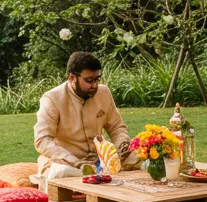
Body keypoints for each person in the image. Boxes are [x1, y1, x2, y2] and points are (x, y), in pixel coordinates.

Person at [34, 51, 137, 192]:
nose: (95, 85)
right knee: (61, 174)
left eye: (97, 79)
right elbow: (42, 140)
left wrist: (120, 149)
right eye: (89, 81)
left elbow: (117, 127)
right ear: (72, 78)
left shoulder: (103, 93)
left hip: (100, 161)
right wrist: (76, 163)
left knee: (143, 158)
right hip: (67, 163)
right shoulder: (52, 98)